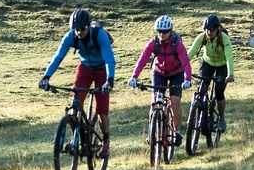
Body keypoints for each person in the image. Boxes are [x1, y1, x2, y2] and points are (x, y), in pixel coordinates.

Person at [39, 9, 116, 157]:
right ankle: (75, 139)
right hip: (85, 67)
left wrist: (109, 80)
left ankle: (105, 142)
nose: (79, 32)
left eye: (82, 29)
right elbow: (58, 57)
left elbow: (109, 58)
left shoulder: (99, 34)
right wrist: (46, 77)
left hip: (102, 70)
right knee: (76, 103)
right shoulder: (70, 36)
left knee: (102, 109)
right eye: (76, 29)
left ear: (88, 26)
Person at [127, 15, 192, 146]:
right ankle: (152, 133)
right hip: (159, 73)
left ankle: (177, 131)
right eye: (159, 32)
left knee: (175, 103)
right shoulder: (153, 43)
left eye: (165, 32)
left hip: (176, 74)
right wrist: (134, 76)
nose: (162, 34)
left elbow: (185, 61)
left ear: (171, 31)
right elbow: (143, 58)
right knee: (155, 102)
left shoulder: (177, 44)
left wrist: (188, 79)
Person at [187, 14, 235, 132]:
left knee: (219, 91)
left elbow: (229, 57)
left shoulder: (224, 38)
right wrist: (179, 67)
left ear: (217, 29)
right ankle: (198, 115)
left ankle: (221, 119)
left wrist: (230, 74)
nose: (209, 32)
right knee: (202, 89)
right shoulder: (202, 37)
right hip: (207, 63)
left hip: (222, 65)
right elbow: (191, 53)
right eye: (207, 30)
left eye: (212, 30)